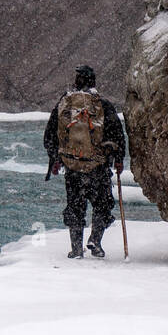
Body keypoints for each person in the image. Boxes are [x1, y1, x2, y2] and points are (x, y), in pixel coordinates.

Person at [42, 65, 126, 259]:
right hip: (98, 166)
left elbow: (51, 133)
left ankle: (76, 248)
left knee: (75, 206)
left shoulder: (65, 104)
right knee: (102, 204)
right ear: (94, 81)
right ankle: (95, 241)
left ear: (77, 80)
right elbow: (117, 134)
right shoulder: (102, 104)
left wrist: (55, 159)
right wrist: (119, 160)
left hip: (72, 166)